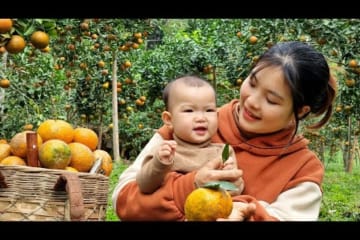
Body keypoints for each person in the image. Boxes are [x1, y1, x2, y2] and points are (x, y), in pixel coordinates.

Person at [112, 41, 337, 221]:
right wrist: (190, 186)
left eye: (271, 100)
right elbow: (123, 200)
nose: (252, 101)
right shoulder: (191, 123)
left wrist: (239, 209)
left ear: (300, 111)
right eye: (253, 82)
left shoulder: (302, 168)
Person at [136, 76, 240, 195]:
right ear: (169, 119)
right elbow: (144, 186)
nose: (201, 118)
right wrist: (159, 164)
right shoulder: (165, 152)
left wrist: (231, 177)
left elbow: (236, 191)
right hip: (175, 210)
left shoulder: (223, 153)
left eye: (209, 110)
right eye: (189, 111)